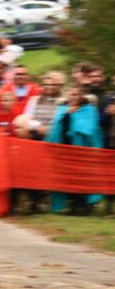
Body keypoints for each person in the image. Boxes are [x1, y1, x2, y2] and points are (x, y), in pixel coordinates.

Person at [46, 86, 104, 214]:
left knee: (82, 178)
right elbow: (56, 129)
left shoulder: (88, 110)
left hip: (83, 150)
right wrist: (67, 114)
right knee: (67, 179)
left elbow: (89, 129)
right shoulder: (62, 110)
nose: (74, 97)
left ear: (82, 96)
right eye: (71, 94)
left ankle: (82, 205)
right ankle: (70, 205)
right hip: (64, 149)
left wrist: (75, 123)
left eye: (77, 94)